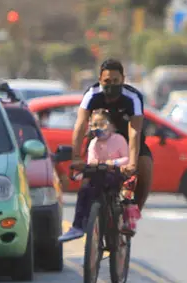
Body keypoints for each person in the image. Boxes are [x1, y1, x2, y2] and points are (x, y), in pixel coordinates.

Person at [70, 58, 152, 212]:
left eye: (116, 80)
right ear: (100, 80)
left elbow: (135, 131)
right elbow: (80, 125)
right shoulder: (92, 94)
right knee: (87, 177)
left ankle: (133, 213)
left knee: (145, 168)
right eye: (107, 81)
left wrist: (132, 163)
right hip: (99, 140)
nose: (111, 84)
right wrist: (75, 156)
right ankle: (87, 218)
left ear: (123, 80)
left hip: (128, 142)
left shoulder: (133, 97)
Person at [59, 110, 136, 242]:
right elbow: (91, 161)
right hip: (98, 175)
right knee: (84, 191)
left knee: (126, 193)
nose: (98, 128)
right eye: (94, 125)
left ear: (111, 126)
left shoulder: (119, 139)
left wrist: (113, 163)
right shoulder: (94, 143)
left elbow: (126, 158)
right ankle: (78, 226)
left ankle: (127, 222)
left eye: (102, 124)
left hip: (116, 175)